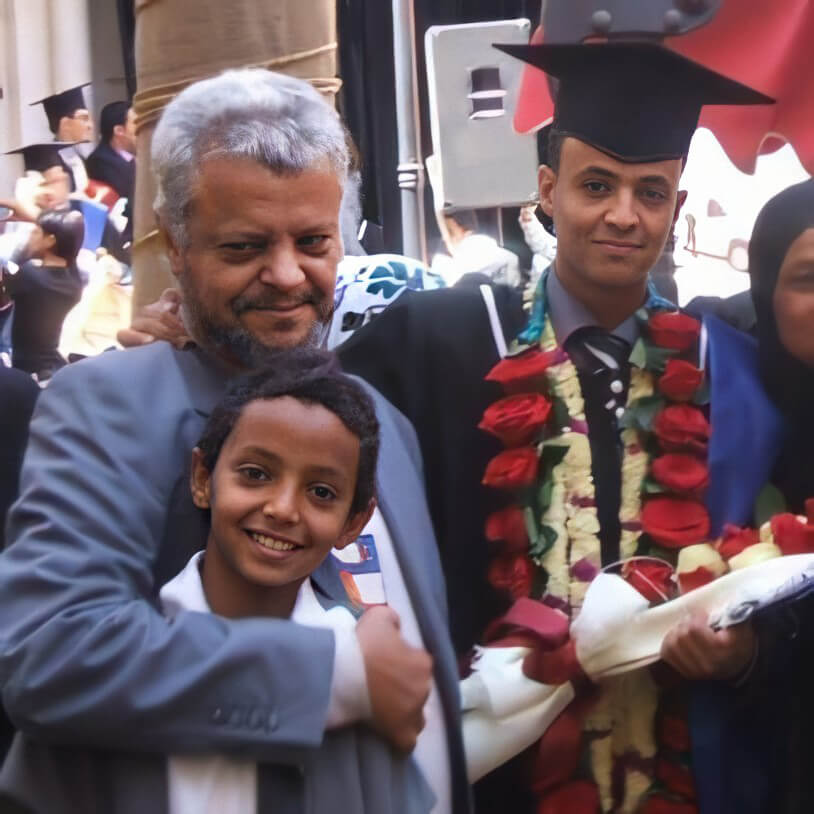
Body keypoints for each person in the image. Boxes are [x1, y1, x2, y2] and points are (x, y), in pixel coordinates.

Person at [0, 68, 468, 814]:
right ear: (176, 245)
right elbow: (51, 654)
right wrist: (342, 674)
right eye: (246, 246)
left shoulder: (382, 419)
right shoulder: (113, 405)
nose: (287, 276)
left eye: (313, 241)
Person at [0, 349, 436, 814]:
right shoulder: (108, 676)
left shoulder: (374, 689)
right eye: (255, 474)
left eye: (321, 492)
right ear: (203, 478)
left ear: (354, 521)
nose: (283, 509)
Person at [1, 208, 84, 380]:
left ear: (50, 241)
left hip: (22, 364)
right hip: (47, 363)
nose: (30, 237)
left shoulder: (31, 274)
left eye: (36, 233)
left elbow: (4, 296)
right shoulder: (75, 282)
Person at [30, 84, 93, 193]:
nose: (89, 125)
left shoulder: (81, 157)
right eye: (83, 118)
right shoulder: (48, 162)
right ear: (65, 124)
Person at [433, 209, 521, 288]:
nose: (444, 238)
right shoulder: (510, 258)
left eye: (449, 232)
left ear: (466, 231)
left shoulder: (449, 269)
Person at [85, 101, 137, 202]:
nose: (140, 129)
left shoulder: (133, 158)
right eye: (136, 123)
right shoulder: (99, 162)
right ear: (119, 130)